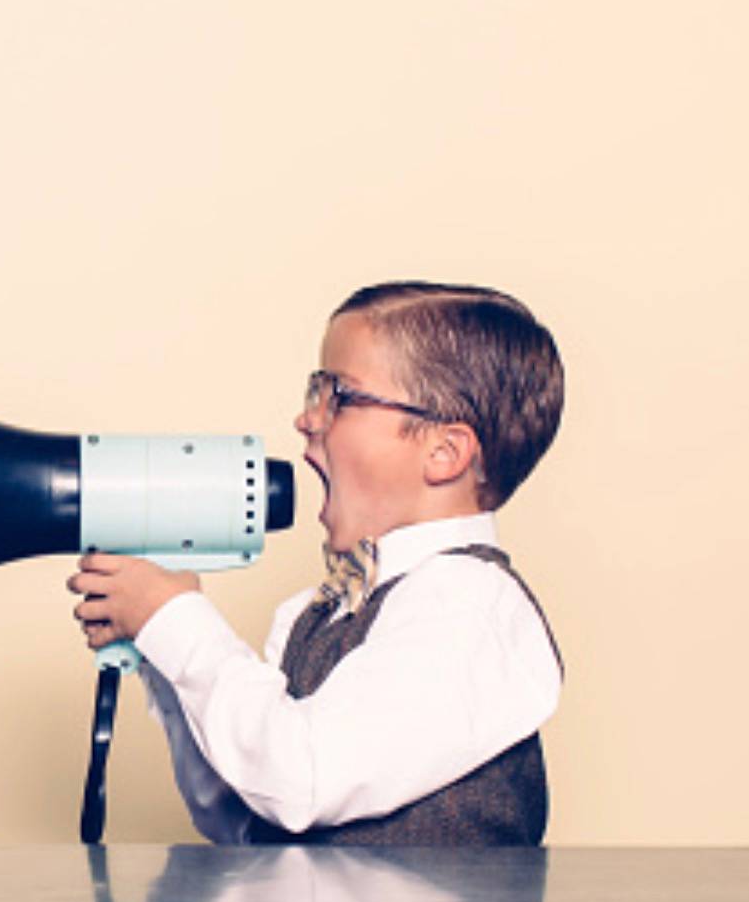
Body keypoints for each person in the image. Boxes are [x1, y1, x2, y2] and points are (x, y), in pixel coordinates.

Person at [69, 282, 565, 843]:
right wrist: (159, 650)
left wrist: (177, 618)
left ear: (443, 453)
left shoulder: (469, 606)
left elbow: (298, 781)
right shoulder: (316, 615)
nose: (306, 419)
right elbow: (241, 815)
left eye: (340, 397)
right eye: (314, 390)